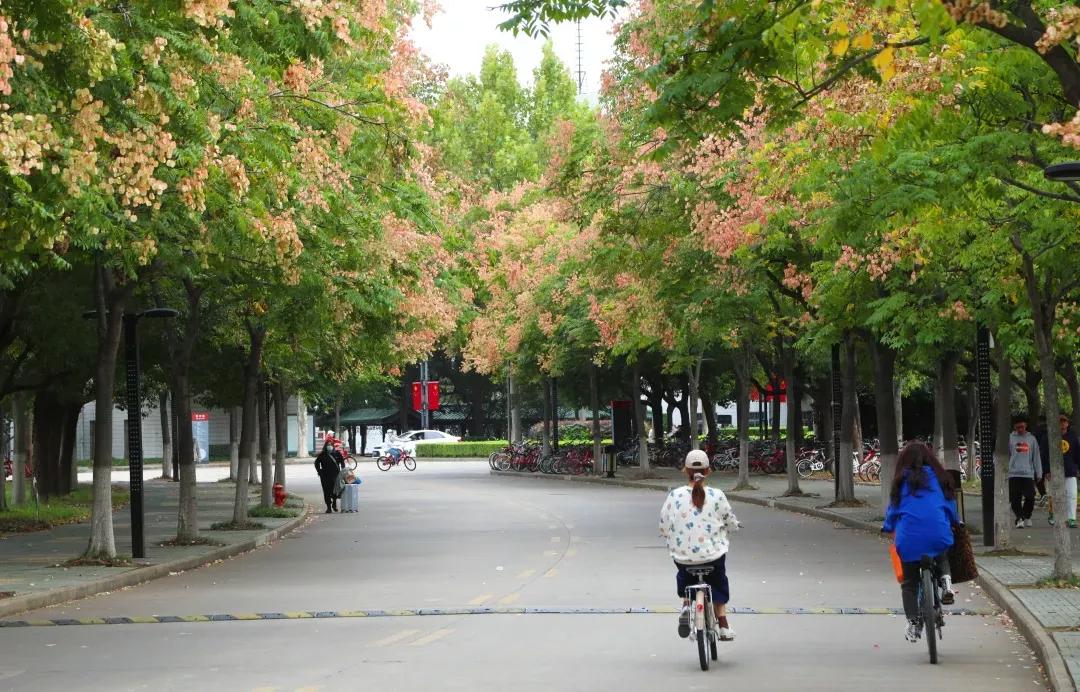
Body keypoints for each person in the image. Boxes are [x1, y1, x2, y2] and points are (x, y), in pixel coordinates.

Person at [881, 441, 960, 643]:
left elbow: (893, 511)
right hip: (938, 533)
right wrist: (954, 521)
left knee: (909, 583)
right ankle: (946, 582)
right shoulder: (941, 479)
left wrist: (888, 527)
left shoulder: (900, 482)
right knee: (941, 549)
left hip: (909, 540)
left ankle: (913, 621)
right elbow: (950, 506)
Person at [659, 449, 740, 642]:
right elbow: (729, 520)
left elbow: (663, 524)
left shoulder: (674, 495)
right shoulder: (717, 495)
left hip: (684, 557)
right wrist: (733, 527)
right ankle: (723, 625)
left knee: (684, 575)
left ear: (684, 470)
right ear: (708, 471)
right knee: (718, 582)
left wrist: (668, 534)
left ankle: (687, 604)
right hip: (713, 555)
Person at [1008, 415, 1042, 529]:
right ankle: (1019, 518)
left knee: (1030, 497)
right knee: (1015, 499)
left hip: (1028, 473)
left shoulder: (1031, 439)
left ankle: (1027, 516)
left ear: (1026, 426)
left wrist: (1039, 473)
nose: (1020, 430)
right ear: (1014, 427)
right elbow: (1005, 456)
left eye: (1022, 427)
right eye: (1018, 427)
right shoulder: (1010, 438)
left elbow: (1036, 457)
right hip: (1013, 473)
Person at [1058, 415, 1080, 528]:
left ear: (1067, 423)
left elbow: (1077, 454)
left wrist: (1078, 469)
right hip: (1055, 471)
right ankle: (1055, 516)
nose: (1062, 424)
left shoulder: (1073, 437)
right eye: (1060, 422)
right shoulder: (1051, 436)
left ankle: (1071, 518)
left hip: (1070, 470)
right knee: (1055, 495)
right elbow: (1045, 454)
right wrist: (1046, 470)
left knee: (1072, 495)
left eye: (1064, 422)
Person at [314, 441, 341, 513]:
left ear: (333, 446)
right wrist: (319, 471)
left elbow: (342, 462)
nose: (329, 446)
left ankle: (334, 504)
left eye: (330, 445)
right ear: (325, 446)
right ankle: (328, 507)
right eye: (328, 445)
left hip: (335, 475)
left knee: (334, 490)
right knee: (326, 492)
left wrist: (342, 470)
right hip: (325, 476)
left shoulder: (337, 453)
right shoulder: (322, 454)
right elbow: (316, 463)